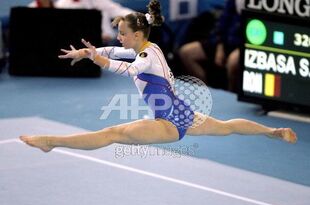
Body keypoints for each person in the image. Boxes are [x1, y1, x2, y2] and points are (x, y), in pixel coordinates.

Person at [20, 0, 297, 153]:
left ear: (137, 35)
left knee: (111, 134)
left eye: (123, 34)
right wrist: (86, 52)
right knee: (227, 126)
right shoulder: (145, 47)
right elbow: (115, 51)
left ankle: (51, 142)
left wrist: (98, 59)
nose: (119, 37)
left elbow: (125, 68)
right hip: (183, 113)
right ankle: (272, 132)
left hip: (169, 122)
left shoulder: (146, 56)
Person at [179, 0, 243, 92]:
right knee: (186, 53)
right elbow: (224, 20)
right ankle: (206, 92)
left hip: (245, 45)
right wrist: (220, 47)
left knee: (233, 62)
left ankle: (231, 97)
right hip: (226, 41)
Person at [28, 0, 135, 43]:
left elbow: (118, 11)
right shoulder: (61, 4)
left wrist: (139, 18)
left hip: (105, 42)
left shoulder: (97, 1)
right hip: (76, 44)